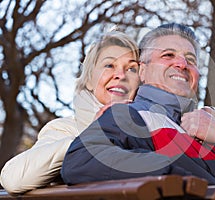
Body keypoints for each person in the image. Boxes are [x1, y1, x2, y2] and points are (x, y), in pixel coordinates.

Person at [61, 23, 215, 199]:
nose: (182, 64)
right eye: (168, 55)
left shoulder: (214, 129)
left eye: (190, 59)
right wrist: (188, 181)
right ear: (142, 71)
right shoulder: (129, 116)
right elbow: (81, 161)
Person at [0, 31, 141, 194]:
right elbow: (13, 179)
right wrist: (88, 139)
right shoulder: (65, 129)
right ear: (89, 80)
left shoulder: (153, 129)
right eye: (109, 65)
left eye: (132, 68)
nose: (121, 75)